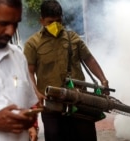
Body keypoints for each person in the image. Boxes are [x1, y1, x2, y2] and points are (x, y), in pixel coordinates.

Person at [23, 0, 110, 141]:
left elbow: (90, 60)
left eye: (58, 20)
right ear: (42, 20)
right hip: (52, 103)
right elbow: (29, 71)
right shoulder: (32, 44)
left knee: (85, 136)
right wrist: (36, 92)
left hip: (79, 100)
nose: (55, 25)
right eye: (50, 21)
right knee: (55, 136)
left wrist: (103, 80)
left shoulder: (73, 38)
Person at [0, 0, 39, 141]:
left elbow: (29, 105)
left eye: (16, 24)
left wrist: (30, 120)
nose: (11, 31)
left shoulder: (18, 56)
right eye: (3, 23)